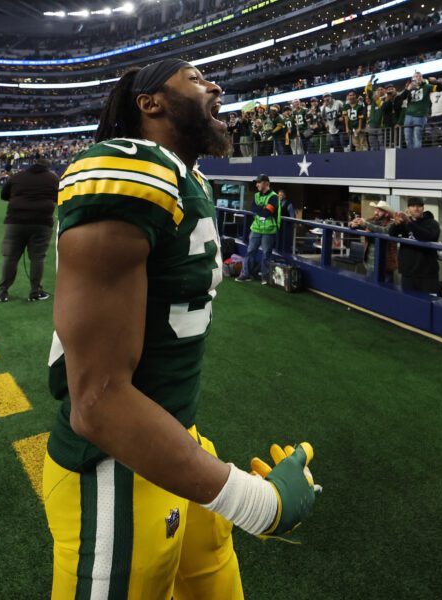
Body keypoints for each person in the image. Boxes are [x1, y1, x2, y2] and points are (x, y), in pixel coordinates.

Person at [43, 59, 318, 600]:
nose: (216, 85)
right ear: (151, 103)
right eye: (196, 79)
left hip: (172, 430)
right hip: (115, 462)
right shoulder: (128, 169)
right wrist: (256, 502)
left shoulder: (186, 177)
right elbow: (97, 399)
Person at [0, 158, 58, 303]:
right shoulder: (53, 178)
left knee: (10, 258)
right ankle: (35, 292)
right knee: (37, 258)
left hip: (15, 221)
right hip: (41, 222)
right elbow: (60, 198)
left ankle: (2, 292)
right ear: (48, 167)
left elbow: (4, 195)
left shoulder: (18, 176)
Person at [389, 198, 441, 293]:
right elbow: (392, 234)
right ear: (408, 208)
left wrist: (409, 222)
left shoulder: (432, 223)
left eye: (419, 206)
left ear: (423, 208)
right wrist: (396, 224)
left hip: (427, 273)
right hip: (408, 272)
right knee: (408, 303)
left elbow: (428, 236)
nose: (416, 208)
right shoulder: (405, 223)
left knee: (427, 304)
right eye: (413, 206)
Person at [237, 173, 279, 284]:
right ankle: (246, 274)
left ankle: (265, 277)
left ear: (266, 184)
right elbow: (253, 208)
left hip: (269, 230)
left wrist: (261, 209)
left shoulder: (274, 197)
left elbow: (267, 213)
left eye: (259, 182)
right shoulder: (256, 196)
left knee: (266, 254)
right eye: (257, 182)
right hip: (256, 229)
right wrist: (262, 208)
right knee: (250, 251)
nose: (257, 185)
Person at [350, 200, 398, 276]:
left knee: (385, 285)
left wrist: (365, 224)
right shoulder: (371, 221)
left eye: (379, 211)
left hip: (385, 264)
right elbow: (358, 223)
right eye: (376, 210)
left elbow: (384, 230)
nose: (376, 213)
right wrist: (352, 224)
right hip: (370, 263)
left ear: (386, 214)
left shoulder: (392, 223)